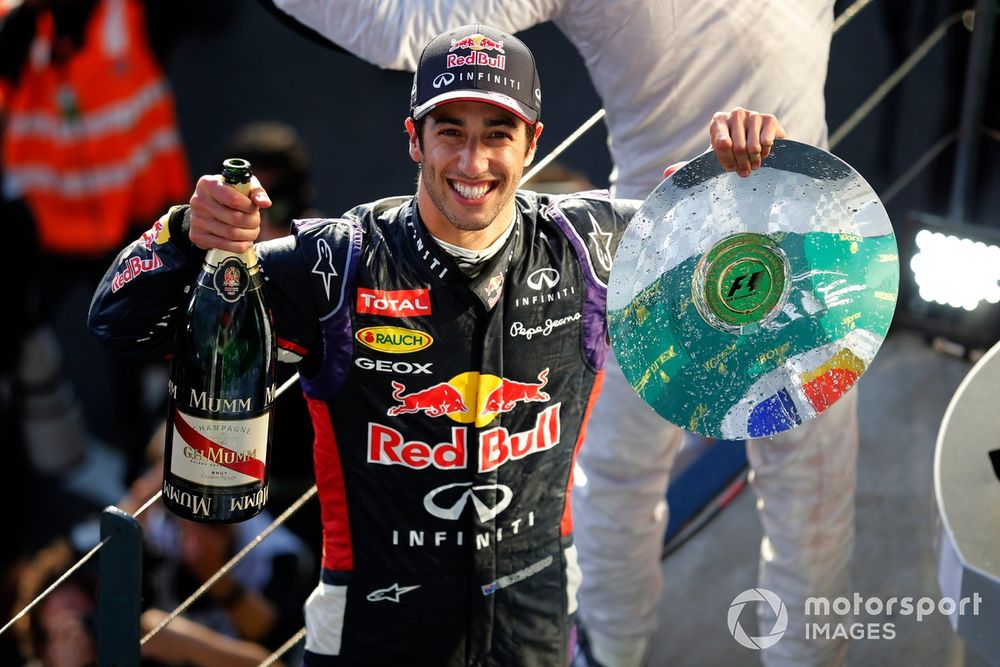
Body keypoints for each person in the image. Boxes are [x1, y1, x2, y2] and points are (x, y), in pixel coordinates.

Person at [88, 23, 784, 665]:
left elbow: (762, 284)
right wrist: (183, 233)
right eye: (450, 131)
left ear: (532, 142)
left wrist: (742, 174)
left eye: (497, 133)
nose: (473, 160)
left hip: (534, 634)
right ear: (414, 138)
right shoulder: (340, 262)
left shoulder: (586, 245)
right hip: (368, 638)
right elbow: (119, 323)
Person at [263, 3, 851, 665]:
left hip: (648, 256)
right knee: (811, 498)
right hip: (776, 241)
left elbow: (404, 31)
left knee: (624, 482)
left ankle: (611, 657)